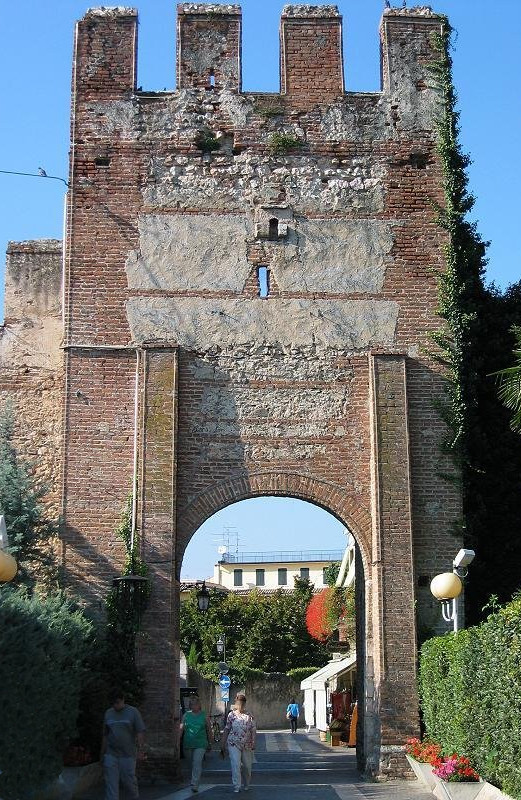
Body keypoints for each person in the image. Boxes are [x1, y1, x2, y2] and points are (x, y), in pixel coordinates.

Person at [101, 688, 146, 800]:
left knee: (129, 781)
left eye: (117, 702)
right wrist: (102, 752)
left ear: (123, 700)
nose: (115, 706)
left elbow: (140, 731)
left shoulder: (133, 712)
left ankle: (134, 797)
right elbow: (105, 735)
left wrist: (141, 750)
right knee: (111, 783)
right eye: (113, 703)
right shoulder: (108, 713)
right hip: (111, 754)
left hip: (128, 754)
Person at [220, 693, 256, 793]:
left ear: (244, 704)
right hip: (233, 743)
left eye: (242, 704)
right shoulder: (231, 715)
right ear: (236, 704)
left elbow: (253, 729)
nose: (240, 706)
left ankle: (247, 783)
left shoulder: (249, 715)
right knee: (235, 764)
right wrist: (222, 743)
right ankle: (237, 786)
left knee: (247, 767)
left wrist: (253, 742)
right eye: (238, 704)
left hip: (247, 744)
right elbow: (227, 729)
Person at [180, 696, 213, 794]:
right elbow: (181, 728)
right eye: (191, 704)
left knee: (197, 763)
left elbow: (209, 729)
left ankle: (194, 784)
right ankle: (194, 780)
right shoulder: (186, 715)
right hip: (188, 743)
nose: (193, 706)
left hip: (201, 743)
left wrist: (210, 742)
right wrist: (178, 739)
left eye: (195, 704)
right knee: (190, 763)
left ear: (199, 705)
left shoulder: (204, 715)